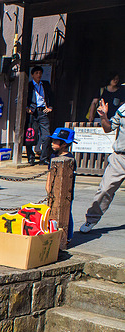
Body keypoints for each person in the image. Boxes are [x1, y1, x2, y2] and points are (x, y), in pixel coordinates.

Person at [80, 99, 125, 234]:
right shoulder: (123, 109)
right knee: (105, 189)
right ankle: (91, 219)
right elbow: (108, 128)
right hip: (120, 157)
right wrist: (104, 117)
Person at [43, 127, 76, 242]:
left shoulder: (70, 160)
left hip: (66, 192)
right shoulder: (53, 157)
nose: (52, 143)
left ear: (64, 144)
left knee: (66, 212)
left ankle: (68, 236)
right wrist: (48, 187)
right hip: (53, 189)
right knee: (52, 211)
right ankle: (53, 232)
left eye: (55, 141)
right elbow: (49, 173)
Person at [26, 66, 55, 165]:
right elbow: (20, 99)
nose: (39, 75)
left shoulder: (45, 84)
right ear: (32, 75)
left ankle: (44, 158)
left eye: (40, 73)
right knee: (31, 134)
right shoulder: (28, 85)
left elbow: (51, 96)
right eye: (36, 73)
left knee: (46, 136)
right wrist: (27, 108)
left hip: (43, 111)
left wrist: (50, 106)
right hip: (33, 112)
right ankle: (30, 157)